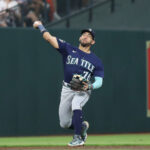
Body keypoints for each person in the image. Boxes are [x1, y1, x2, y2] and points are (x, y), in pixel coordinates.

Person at [33, 21, 104, 147]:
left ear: (93, 42)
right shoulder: (68, 49)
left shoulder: (96, 61)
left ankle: (78, 138)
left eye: (89, 35)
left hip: (83, 89)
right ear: (79, 38)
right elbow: (49, 38)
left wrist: (90, 86)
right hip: (67, 88)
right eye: (83, 34)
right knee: (64, 123)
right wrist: (40, 26)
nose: (85, 36)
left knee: (76, 104)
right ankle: (82, 127)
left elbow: (99, 81)